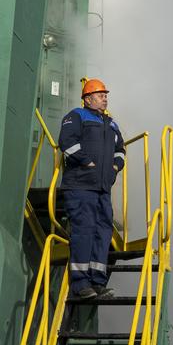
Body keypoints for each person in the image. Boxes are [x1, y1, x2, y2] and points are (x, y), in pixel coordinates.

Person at [57, 77, 126, 300]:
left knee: (102, 233)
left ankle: (97, 282)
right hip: (80, 186)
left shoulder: (111, 123)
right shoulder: (76, 116)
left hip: (102, 189)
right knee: (84, 232)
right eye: (100, 95)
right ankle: (80, 284)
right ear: (87, 99)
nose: (105, 98)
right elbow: (67, 143)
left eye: (106, 95)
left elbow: (120, 151)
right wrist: (87, 162)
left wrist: (115, 168)